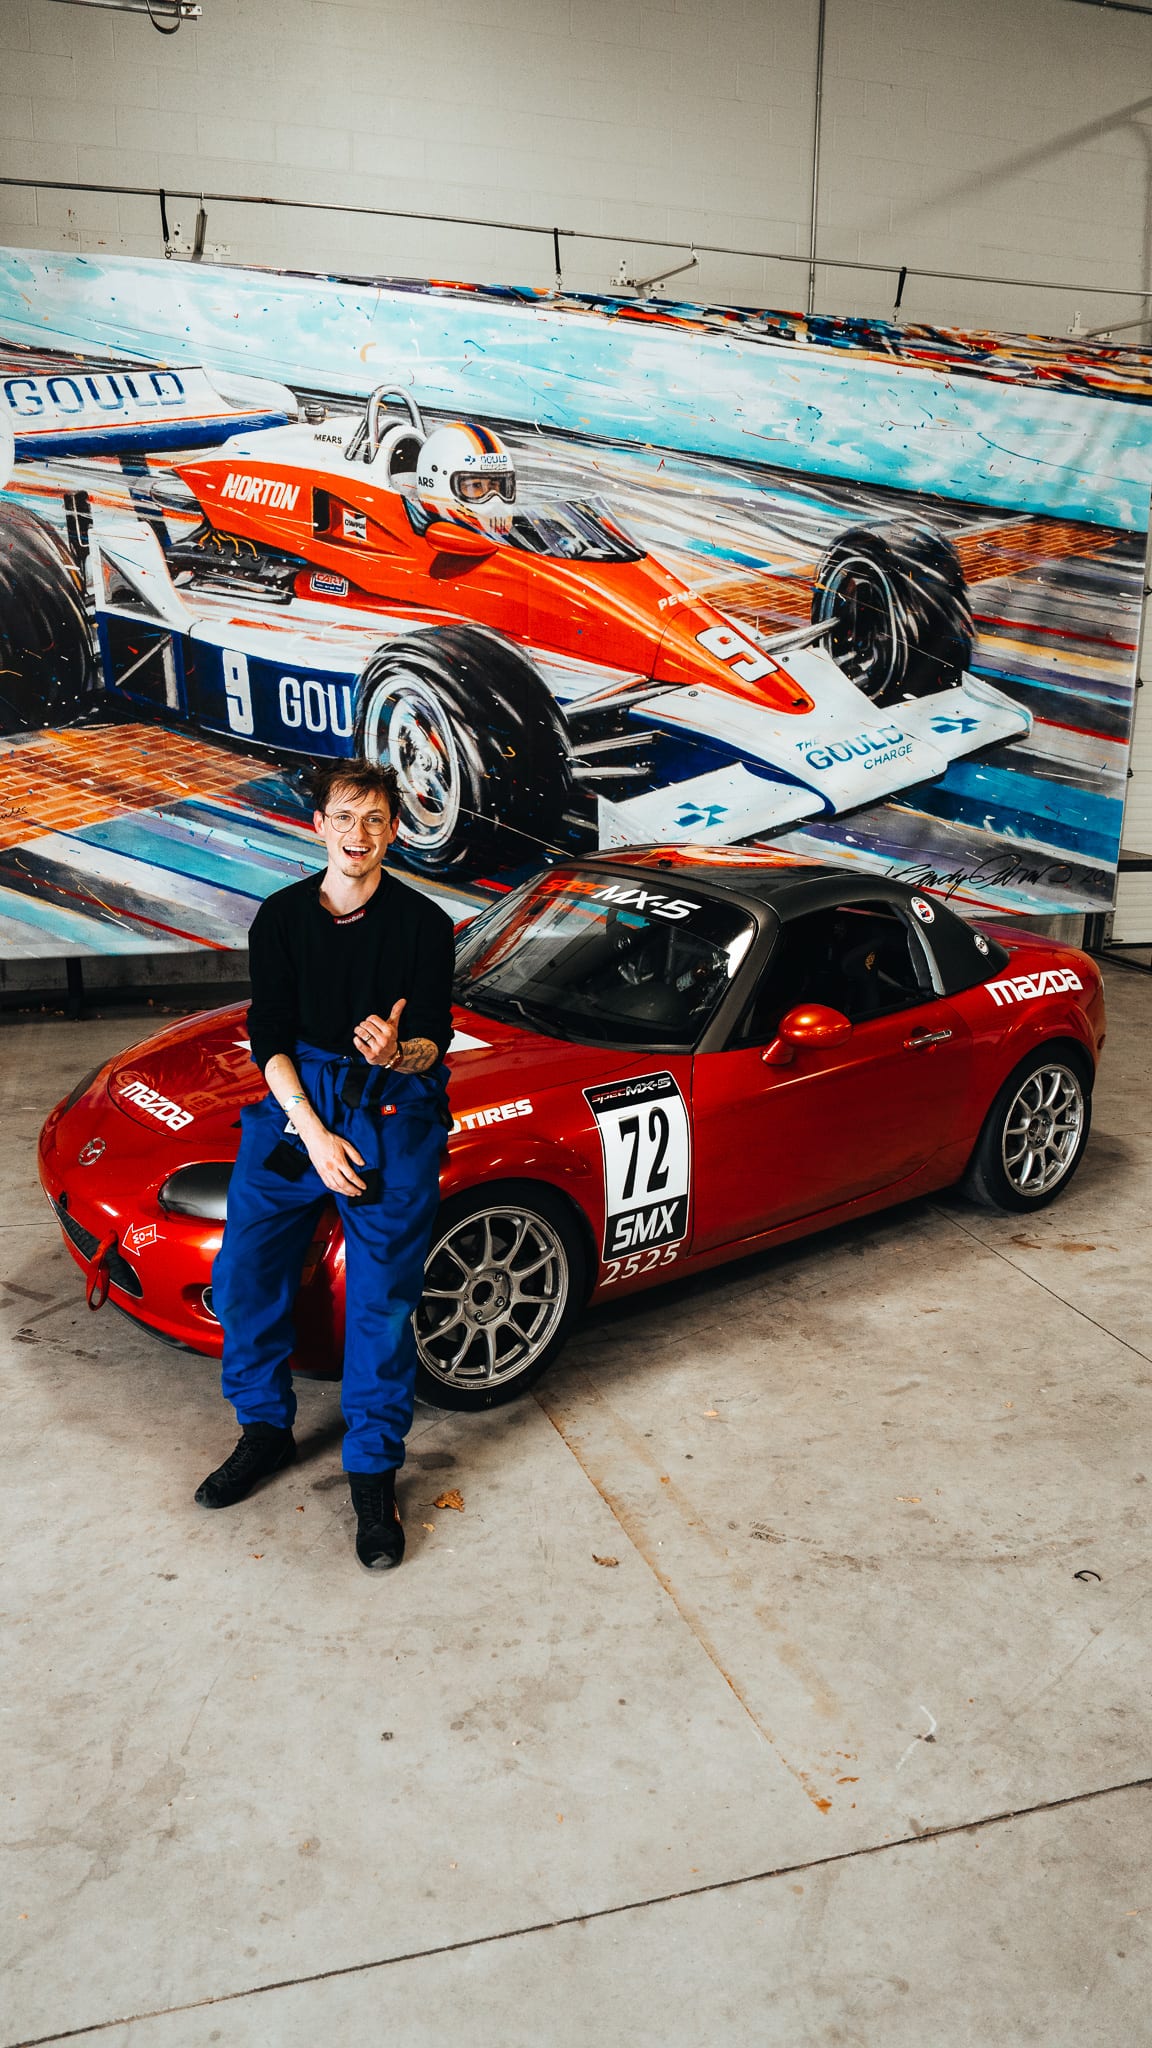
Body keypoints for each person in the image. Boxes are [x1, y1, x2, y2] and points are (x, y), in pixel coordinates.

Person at [196, 759, 455, 1571]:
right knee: (244, 1272)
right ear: (319, 825)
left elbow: (434, 1037)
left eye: (375, 819)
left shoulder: (424, 924)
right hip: (299, 1102)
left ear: (395, 831)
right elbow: (269, 1038)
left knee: (382, 1301)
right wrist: (310, 1132)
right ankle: (264, 1429)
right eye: (344, 817)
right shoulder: (280, 918)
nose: (358, 834)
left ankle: (373, 1473)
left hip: (391, 1108)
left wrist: (401, 1053)